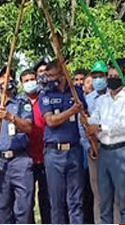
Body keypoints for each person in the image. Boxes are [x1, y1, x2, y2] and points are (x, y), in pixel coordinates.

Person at [0, 68, 34, 223]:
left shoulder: (22, 102)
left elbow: (29, 127)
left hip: (20, 161)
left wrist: (11, 117)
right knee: (2, 210)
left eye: (9, 75)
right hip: (0, 164)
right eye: (2, 77)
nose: (6, 79)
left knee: (24, 209)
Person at [39, 59, 89, 224]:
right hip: (54, 153)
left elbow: (85, 114)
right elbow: (51, 121)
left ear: (63, 73)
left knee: (76, 201)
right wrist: (71, 111)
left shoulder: (76, 92)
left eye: (54, 75)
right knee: (57, 202)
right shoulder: (45, 94)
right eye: (49, 75)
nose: (52, 79)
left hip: (74, 151)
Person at [87, 62, 125, 224]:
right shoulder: (102, 100)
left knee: (124, 199)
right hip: (104, 152)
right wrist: (92, 124)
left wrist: (100, 127)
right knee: (104, 198)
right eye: (110, 76)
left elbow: (123, 125)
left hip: (121, 151)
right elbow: (94, 117)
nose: (112, 79)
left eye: (116, 76)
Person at [21, 68, 52, 223]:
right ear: (21, 84)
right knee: (27, 201)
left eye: (32, 79)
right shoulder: (19, 103)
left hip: (46, 156)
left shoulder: (45, 99)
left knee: (47, 199)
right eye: (26, 81)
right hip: (26, 158)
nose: (30, 83)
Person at [84, 60, 107, 222]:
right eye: (95, 76)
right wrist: (90, 146)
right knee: (98, 193)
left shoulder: (114, 96)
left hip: (111, 147)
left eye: (101, 76)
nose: (98, 79)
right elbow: (83, 125)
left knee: (115, 193)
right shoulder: (88, 99)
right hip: (93, 148)